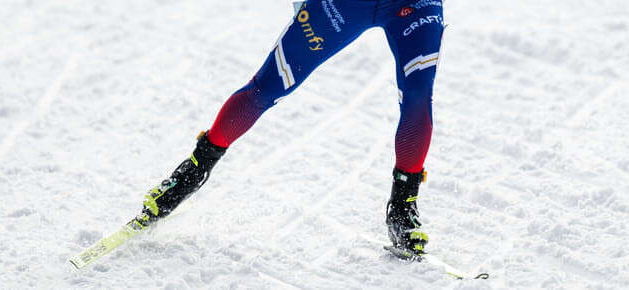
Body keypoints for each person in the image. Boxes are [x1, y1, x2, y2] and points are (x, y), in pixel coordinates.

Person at [134, 0, 445, 259]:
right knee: (267, 88)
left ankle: (403, 206)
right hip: (344, 5)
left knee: (418, 95)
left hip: (413, 5)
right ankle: (194, 169)